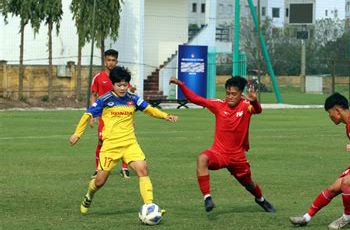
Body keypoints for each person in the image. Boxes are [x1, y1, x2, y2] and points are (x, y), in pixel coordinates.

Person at [70, 67, 178, 214]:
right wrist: (77, 134)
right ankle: (89, 195)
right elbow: (87, 115)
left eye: (125, 84)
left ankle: (149, 206)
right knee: (100, 181)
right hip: (110, 146)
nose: (122, 88)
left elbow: (149, 109)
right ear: (112, 84)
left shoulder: (133, 98)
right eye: (118, 85)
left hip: (130, 144)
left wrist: (165, 115)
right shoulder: (105, 100)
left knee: (143, 170)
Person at [169, 76, 275, 213]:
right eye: (228, 93)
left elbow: (258, 111)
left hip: (238, 158)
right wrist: (181, 84)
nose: (230, 97)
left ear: (241, 93)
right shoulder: (218, 105)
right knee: (202, 159)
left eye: (234, 94)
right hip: (219, 154)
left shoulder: (246, 106)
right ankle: (207, 198)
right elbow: (195, 99)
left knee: (249, 184)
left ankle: (261, 200)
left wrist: (255, 102)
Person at [290, 93, 350, 229]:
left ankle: (347, 217)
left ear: (337, 110)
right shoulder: (348, 125)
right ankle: (306, 218)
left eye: (329, 113)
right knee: (334, 187)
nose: (330, 117)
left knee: (347, 182)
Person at [90, 49, 131, 178]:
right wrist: (92, 115)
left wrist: (132, 117)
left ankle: (124, 168)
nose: (111, 63)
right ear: (105, 61)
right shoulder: (98, 77)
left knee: (125, 140)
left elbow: (129, 96)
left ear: (116, 61)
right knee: (101, 141)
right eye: (108, 60)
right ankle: (98, 169)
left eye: (113, 60)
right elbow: (94, 95)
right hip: (104, 116)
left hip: (122, 115)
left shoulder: (120, 76)